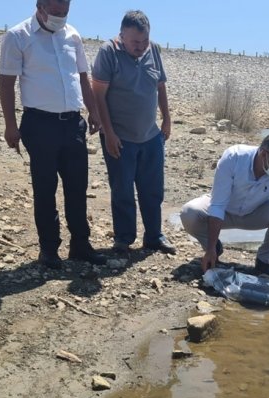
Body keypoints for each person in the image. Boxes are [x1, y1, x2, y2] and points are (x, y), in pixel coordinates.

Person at [0, 0, 106, 270]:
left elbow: (83, 77)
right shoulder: (17, 36)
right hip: (39, 124)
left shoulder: (73, 35)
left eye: (65, 10)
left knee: (77, 188)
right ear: (40, 5)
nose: (60, 15)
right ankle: (49, 250)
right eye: (55, 10)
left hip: (73, 124)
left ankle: (80, 245)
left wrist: (93, 112)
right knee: (45, 190)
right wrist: (10, 125)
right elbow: (7, 83)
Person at [180, 133, 269, 280]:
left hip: (253, 213)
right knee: (189, 213)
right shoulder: (234, 157)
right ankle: (213, 250)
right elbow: (218, 205)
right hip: (224, 210)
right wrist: (211, 247)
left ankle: (264, 261)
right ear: (264, 154)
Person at [91, 10, 176, 255]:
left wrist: (167, 119)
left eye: (144, 41)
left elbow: (160, 86)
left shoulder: (154, 50)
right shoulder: (108, 52)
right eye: (134, 42)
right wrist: (108, 134)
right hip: (120, 137)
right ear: (122, 36)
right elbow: (98, 95)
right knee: (123, 190)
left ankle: (154, 236)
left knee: (152, 190)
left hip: (150, 136)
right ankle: (124, 238)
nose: (140, 46)